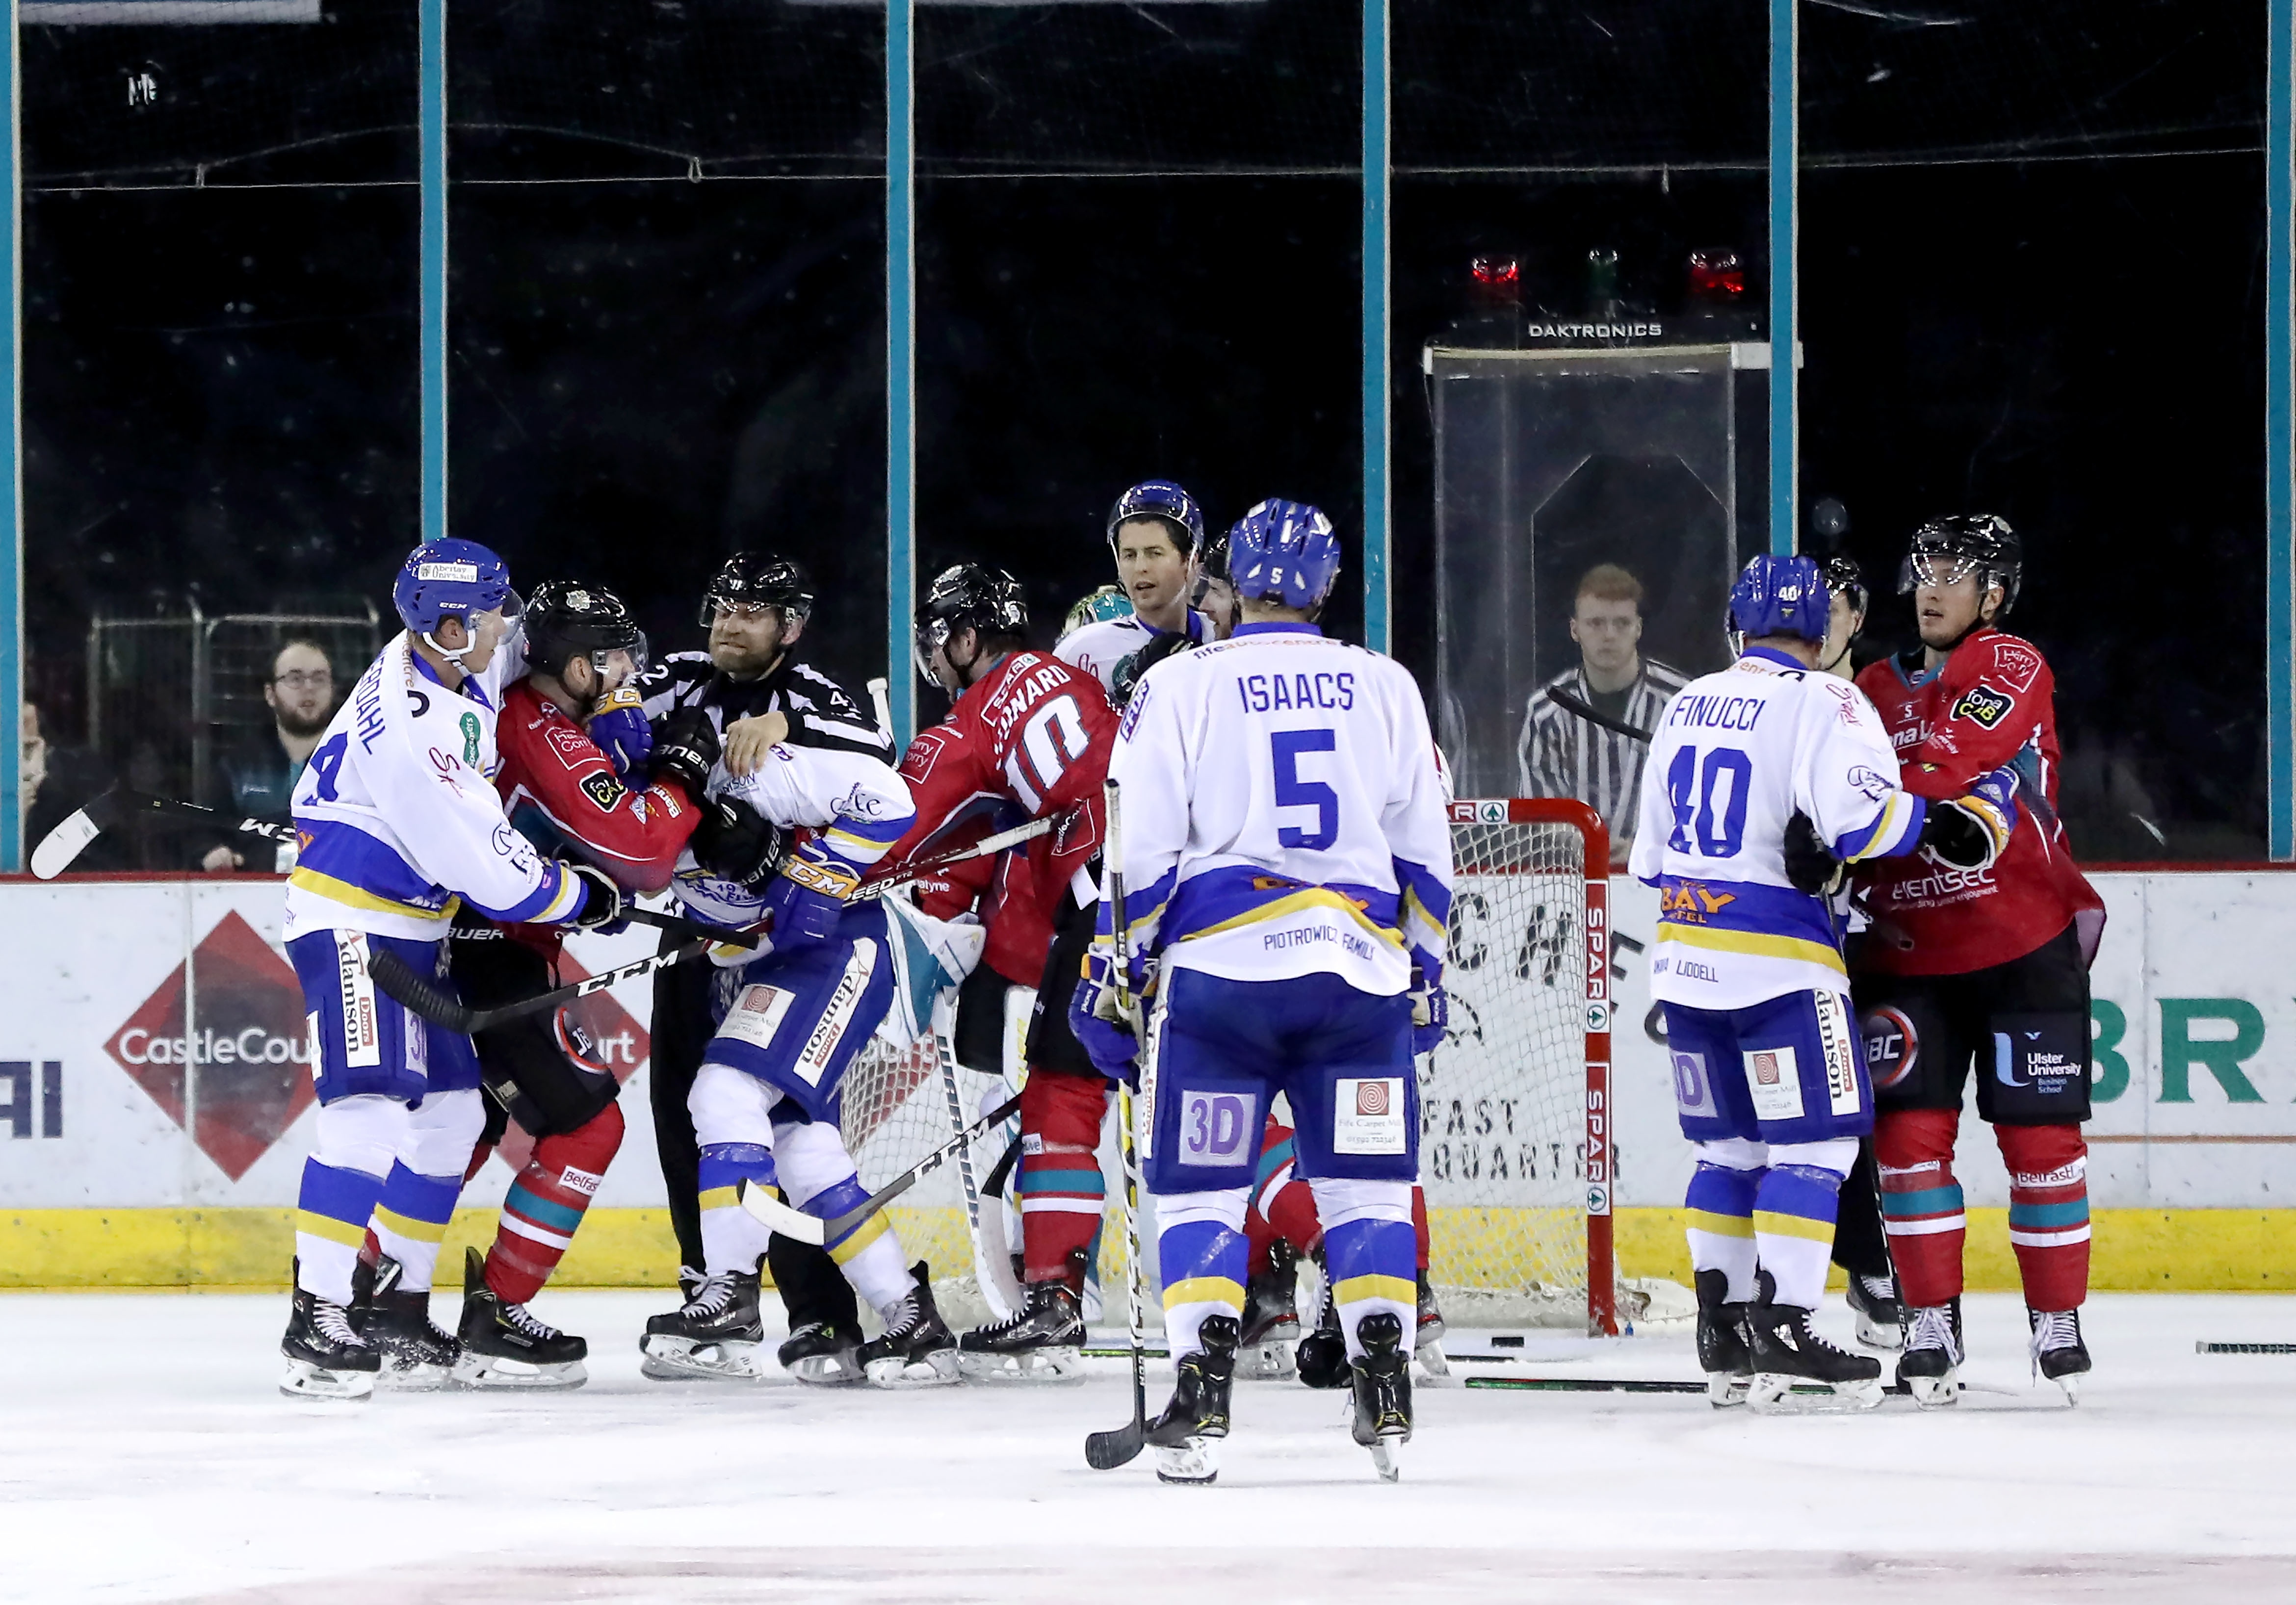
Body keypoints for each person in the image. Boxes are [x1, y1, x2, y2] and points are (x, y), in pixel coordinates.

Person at [1079, 497, 1453, 1483]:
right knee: (1366, 1186)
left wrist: (1114, 971)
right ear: (1330, 584)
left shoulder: (1182, 683)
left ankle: (1200, 1390)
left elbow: (1140, 847)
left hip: (1223, 989)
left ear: (1229, 579)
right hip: (1357, 985)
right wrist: (1427, 968)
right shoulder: (1384, 684)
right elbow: (1427, 844)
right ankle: (1385, 1378)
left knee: (1199, 1190)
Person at [1632, 553, 2017, 1412]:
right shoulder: (1825, 699)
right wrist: (1942, 818)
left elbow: (1649, 857)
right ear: (1817, 632)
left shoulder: (1686, 702)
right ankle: (1790, 1321)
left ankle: (1723, 1326)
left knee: (1723, 1150)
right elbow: (1864, 820)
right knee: (1816, 1148)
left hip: (1685, 957)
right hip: (1778, 966)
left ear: (1737, 625)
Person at [277, 540, 623, 1400]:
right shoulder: (417, 735)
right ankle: (315, 1318)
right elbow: (495, 872)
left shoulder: (444, 651)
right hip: (354, 929)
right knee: (362, 1117)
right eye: (495, 610)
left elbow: (521, 649)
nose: (508, 624)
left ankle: (390, 1306)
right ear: (454, 623)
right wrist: (585, 895)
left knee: (448, 1114)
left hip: (408, 930)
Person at [350, 579, 706, 1390]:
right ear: (573, 664)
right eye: (611, 659)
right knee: (589, 1128)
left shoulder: (517, 707)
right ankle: (498, 1314)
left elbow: (581, 827)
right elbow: (646, 849)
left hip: (464, 941)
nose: (625, 672)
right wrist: (680, 777)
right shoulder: (539, 729)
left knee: (466, 1127)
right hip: (494, 953)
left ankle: (370, 1290)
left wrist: (587, 876)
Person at [636, 694, 980, 1388]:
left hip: (841, 950)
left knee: (724, 1091)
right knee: (803, 1150)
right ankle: (911, 1318)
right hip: (785, 966)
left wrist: (813, 874)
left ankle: (729, 1292)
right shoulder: (629, 815)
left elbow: (889, 799)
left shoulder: (747, 774)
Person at [1850, 515, 2105, 1405]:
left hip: (2020, 941)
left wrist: (1865, 805)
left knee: (2041, 1142)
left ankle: (2057, 1320)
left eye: (1955, 573)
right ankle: (1929, 1320)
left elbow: (1955, 758)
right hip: (1904, 951)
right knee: (1909, 1143)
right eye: (1923, 568)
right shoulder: (1869, 688)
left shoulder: (2011, 663)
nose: (1932, 586)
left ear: (1994, 595)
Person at [634, 552, 895, 1381]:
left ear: (791, 626)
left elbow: (884, 757)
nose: (729, 623)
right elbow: (608, 730)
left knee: (787, 1131)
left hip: (787, 943)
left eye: (752, 611)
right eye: (721, 607)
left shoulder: (816, 692)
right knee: (687, 1115)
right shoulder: (675, 676)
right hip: (696, 937)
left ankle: (822, 1315)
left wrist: (792, 728)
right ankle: (711, 1286)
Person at [892, 563, 1123, 1382]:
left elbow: (897, 825)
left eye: (940, 638)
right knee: (1232, 1097)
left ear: (965, 637)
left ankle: (1057, 1299)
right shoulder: (1073, 678)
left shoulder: (976, 717)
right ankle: (1374, 1288)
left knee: (1062, 1089)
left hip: (1110, 909)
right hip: (1189, 892)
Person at [1810, 555, 1904, 1350]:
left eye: (1833, 605)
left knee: (1866, 1110)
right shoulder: (1779, 700)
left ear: (1857, 616)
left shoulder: (1871, 700)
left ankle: (1876, 1264)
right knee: (1814, 1114)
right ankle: (1846, 1274)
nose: (1818, 618)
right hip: (1798, 948)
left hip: (1884, 936)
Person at [1517, 563, 1691, 864]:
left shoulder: (1682, 703)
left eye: (1622, 623)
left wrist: (1643, 846)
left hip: (1662, 876)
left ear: (1638, 628)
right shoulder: (1546, 711)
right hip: (1572, 879)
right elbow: (1539, 814)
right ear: (1575, 630)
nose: (1609, 635)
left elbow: (1698, 799)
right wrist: (1588, 846)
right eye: (1596, 623)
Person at [1056, 480, 1212, 695]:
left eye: (1154, 553)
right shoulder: (1079, 650)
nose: (1140, 568)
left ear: (1191, 560)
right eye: (1129, 555)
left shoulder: (1226, 636)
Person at [204, 639, 336, 874]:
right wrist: (212, 851)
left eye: (319, 679)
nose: (309, 688)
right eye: (295, 679)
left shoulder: (358, 764)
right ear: (270, 694)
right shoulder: (238, 767)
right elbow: (203, 833)